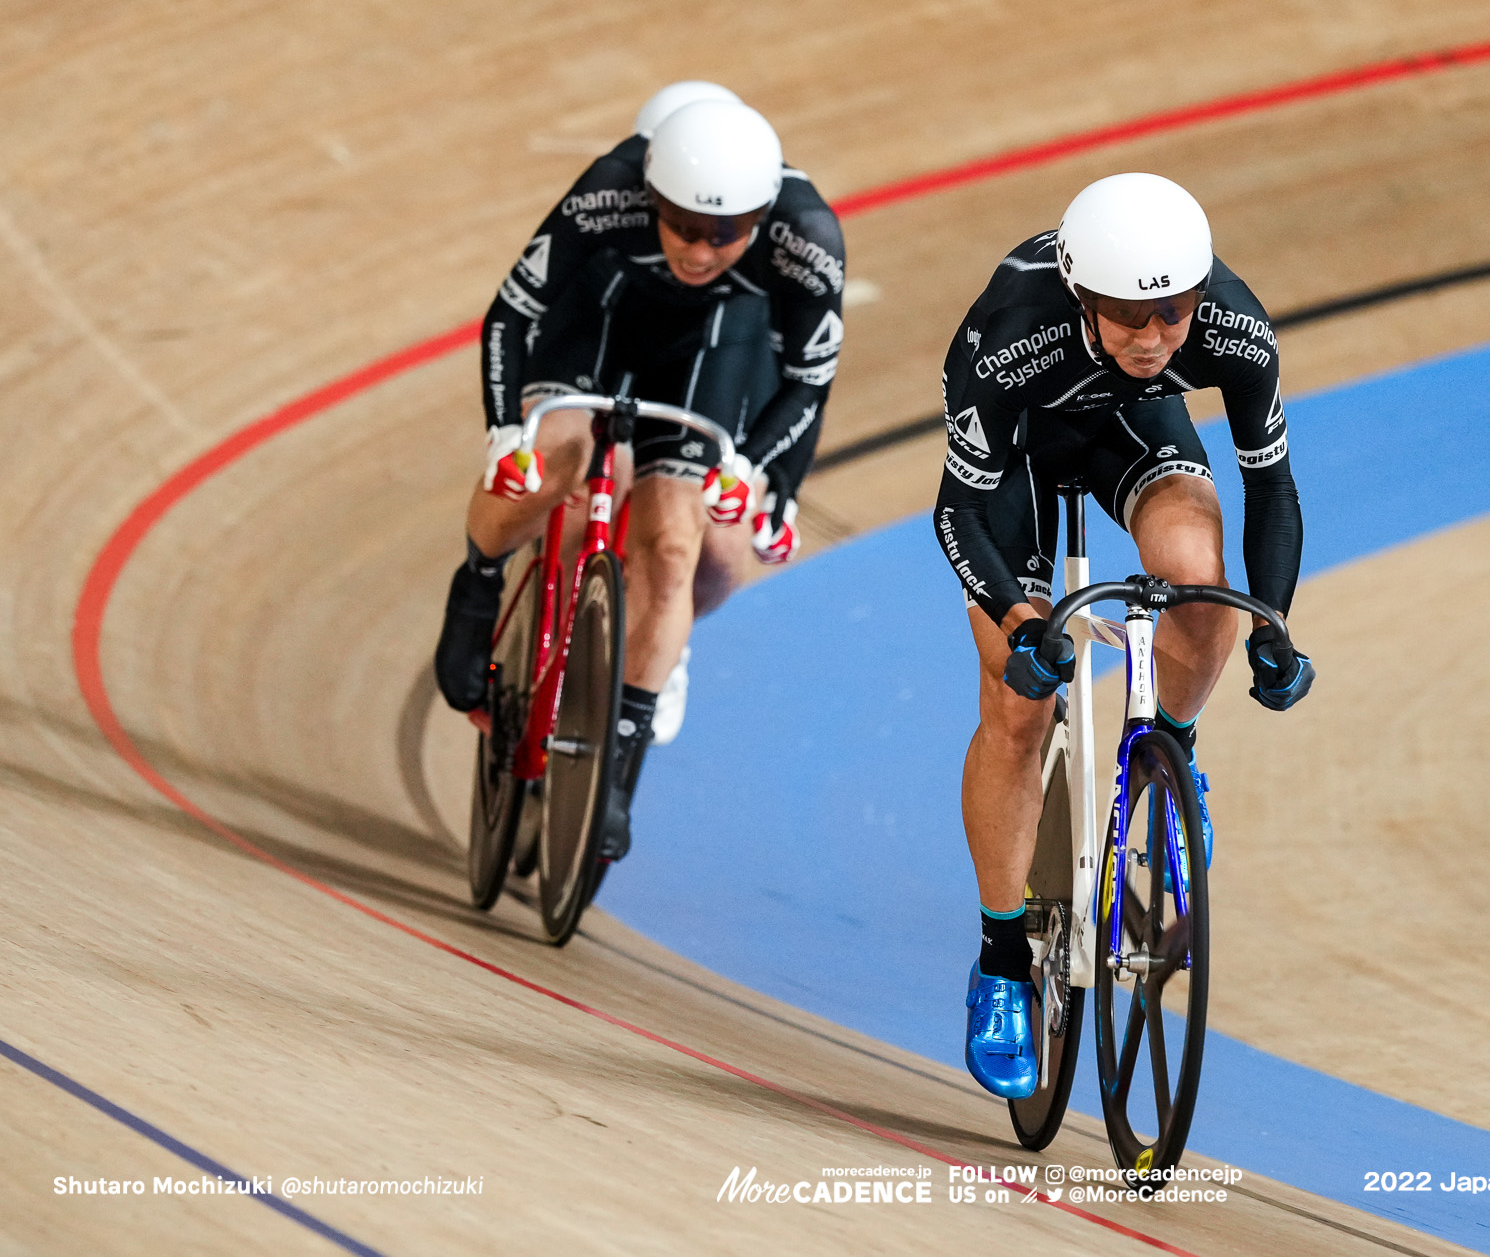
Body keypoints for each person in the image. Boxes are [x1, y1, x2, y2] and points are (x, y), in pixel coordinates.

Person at [933, 172, 1312, 1098]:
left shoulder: (1234, 323)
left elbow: (1270, 486)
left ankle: (1169, 757)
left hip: (1133, 435)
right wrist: (1022, 623)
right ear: (1080, 295)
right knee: (1017, 697)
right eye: (1127, 318)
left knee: (1203, 582)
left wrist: (1274, 622)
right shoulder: (1008, 331)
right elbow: (959, 508)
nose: (1152, 338)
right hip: (1015, 462)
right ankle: (999, 959)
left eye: (1171, 316)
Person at [434, 90, 846, 862]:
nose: (698, 250)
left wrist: (762, 477)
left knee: (683, 553)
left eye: (724, 235)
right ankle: (480, 582)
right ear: (649, 196)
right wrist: (504, 434)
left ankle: (615, 767)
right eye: (682, 225)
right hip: (596, 324)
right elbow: (511, 313)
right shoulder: (607, 189)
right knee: (553, 465)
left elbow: (808, 379)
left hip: (713, 353)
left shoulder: (806, 234)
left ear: (760, 217)